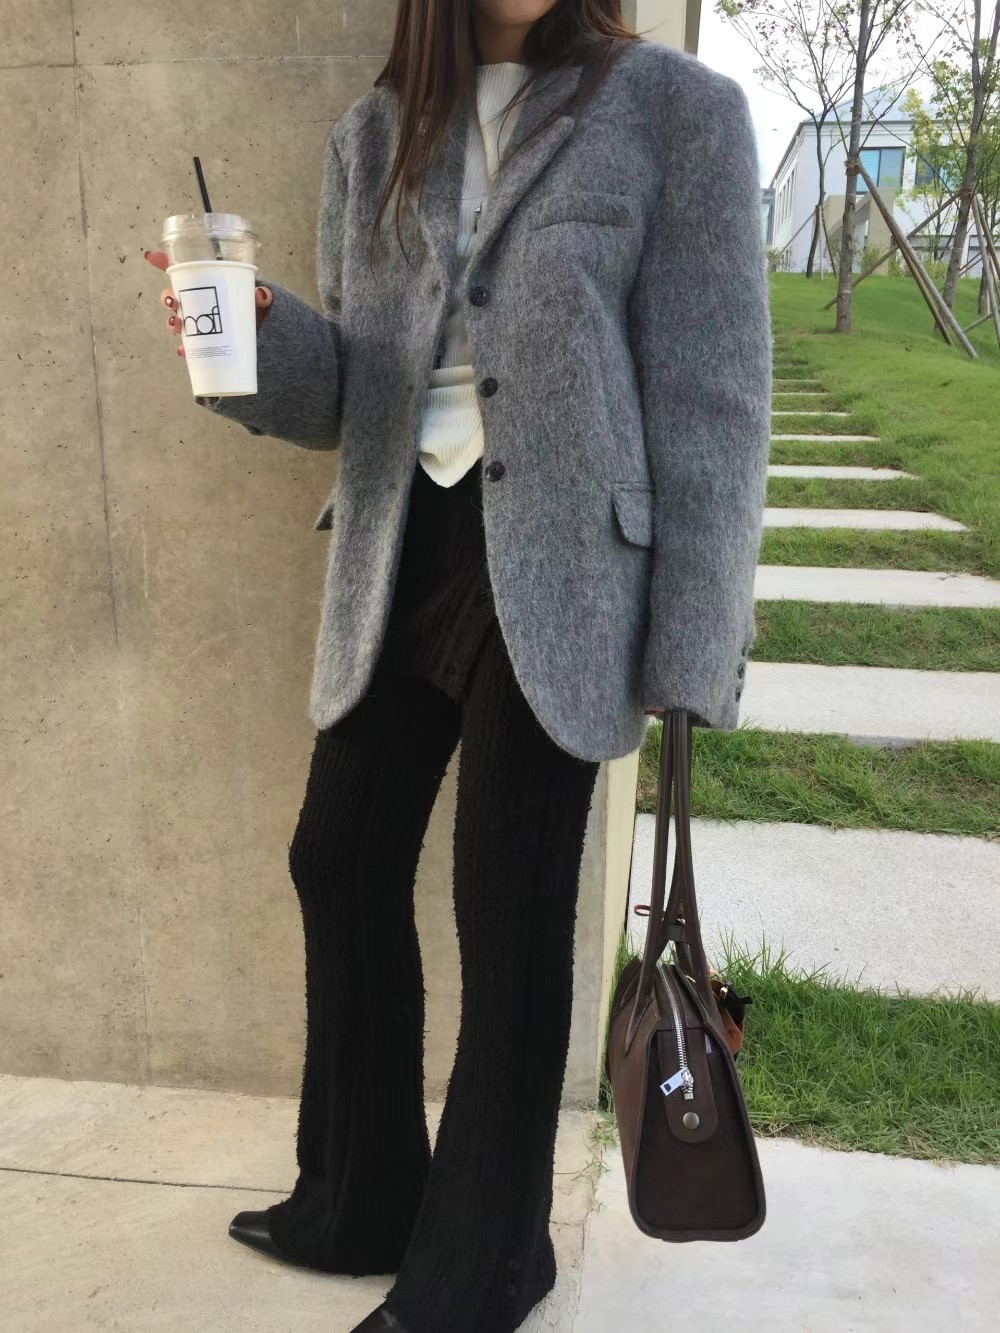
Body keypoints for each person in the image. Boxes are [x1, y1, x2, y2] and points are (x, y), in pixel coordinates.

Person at [145, 1, 770, 1328]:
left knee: (509, 909)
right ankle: (364, 1193)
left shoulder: (677, 113)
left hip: (568, 570)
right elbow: (353, 389)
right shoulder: (374, 135)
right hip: (402, 547)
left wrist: (694, 636)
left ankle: (489, 1260)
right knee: (339, 856)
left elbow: (712, 392)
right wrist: (249, 329)